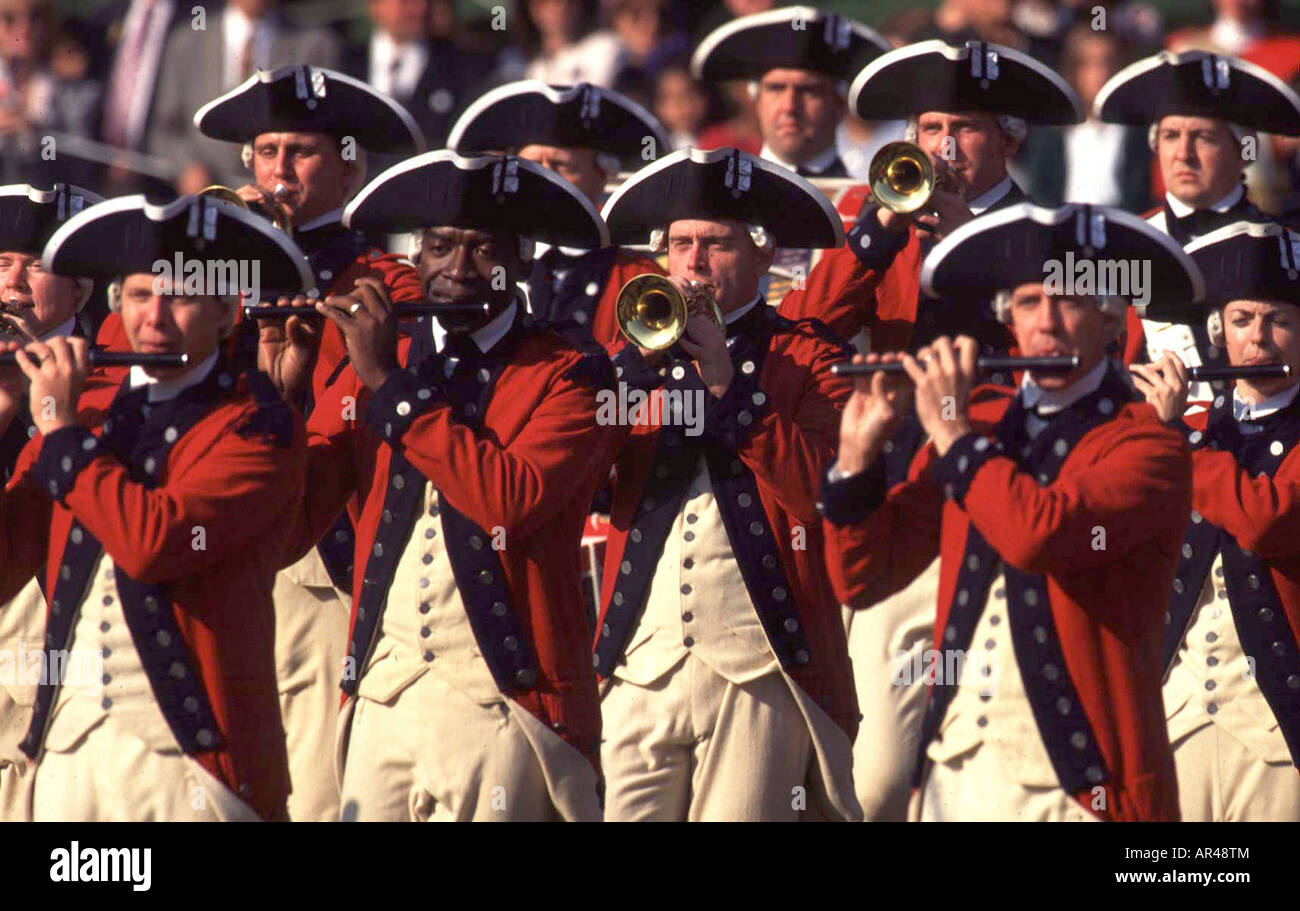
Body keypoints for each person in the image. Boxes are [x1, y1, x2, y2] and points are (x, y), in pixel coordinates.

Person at [778, 36, 1083, 821]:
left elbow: (1063, 366)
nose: (943, 147)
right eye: (929, 127)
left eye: (967, 128)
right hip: (899, 518)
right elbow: (800, 333)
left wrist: (962, 247)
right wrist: (873, 242)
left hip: (1003, 514)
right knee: (875, 782)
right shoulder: (882, 228)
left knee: (993, 770)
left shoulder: (1053, 232)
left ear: (1011, 140)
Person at [260, 151, 616, 821]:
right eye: (440, 246)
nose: (457, 268)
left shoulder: (571, 369)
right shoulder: (380, 360)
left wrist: (392, 387)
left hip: (506, 698)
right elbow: (287, 532)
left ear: (522, 258)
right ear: (416, 257)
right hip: (380, 689)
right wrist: (284, 400)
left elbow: (508, 500)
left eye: (483, 249)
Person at [822, 202, 1202, 821]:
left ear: (1110, 320)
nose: (1046, 322)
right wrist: (857, 460)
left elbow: (1038, 534)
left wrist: (949, 430)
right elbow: (864, 577)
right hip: (957, 771)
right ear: (1009, 321)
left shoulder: (1147, 444)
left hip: (1084, 786)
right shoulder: (981, 425)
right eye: (1028, 303)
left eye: (1069, 301)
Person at [0, 192, 312, 820]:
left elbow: (153, 542)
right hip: (69, 752)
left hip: (197, 770)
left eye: (181, 296)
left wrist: (58, 432)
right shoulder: (85, 414)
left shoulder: (259, 428)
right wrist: (5, 411)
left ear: (228, 312)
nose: (155, 318)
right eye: (140, 295)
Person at [187, 63, 426, 822]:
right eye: (264, 152)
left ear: (352, 164)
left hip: (324, 567)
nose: (279, 171)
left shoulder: (384, 279)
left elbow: (364, 404)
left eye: (301, 152)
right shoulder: (207, 281)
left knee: (321, 796)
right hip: (222, 557)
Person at [594, 147, 859, 821]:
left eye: (717, 244)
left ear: (765, 258)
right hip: (637, 662)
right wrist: (627, 376)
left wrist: (728, 387)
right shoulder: (622, 361)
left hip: (761, 666)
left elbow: (826, 497)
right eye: (680, 244)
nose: (694, 263)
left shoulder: (810, 356)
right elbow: (573, 485)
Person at [1130, 220, 1300, 821]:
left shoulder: (1191, 439)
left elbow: (1265, 521)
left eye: (1279, 320)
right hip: (1175, 716)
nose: (1260, 340)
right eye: (1243, 320)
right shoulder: (1191, 431)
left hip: (1279, 732)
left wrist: (1179, 437)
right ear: (1218, 333)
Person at [1094, 48, 1300, 404]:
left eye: (1203, 137)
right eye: (1171, 136)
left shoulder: (1285, 250)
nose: (1184, 154)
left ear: (1241, 150)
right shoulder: (1121, 245)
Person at [0, 182, 99, 822]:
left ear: (82, 289)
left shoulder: (116, 373)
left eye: (34, 267)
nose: (10, 285)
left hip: (70, 665)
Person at [691, 6, 890, 305]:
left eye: (808, 91)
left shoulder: (873, 210)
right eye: (775, 88)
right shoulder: (711, 205)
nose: (789, 106)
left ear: (838, 103)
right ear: (755, 100)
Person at [446, 79, 668, 341]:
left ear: (602, 175)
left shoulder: (637, 277)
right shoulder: (472, 263)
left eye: (562, 165)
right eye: (533, 164)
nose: (545, 176)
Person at [147, 0, 341, 192]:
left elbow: (321, 134)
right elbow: (166, 129)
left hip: (278, 202)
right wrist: (188, 167)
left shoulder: (315, 44)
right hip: (203, 197)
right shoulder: (187, 41)